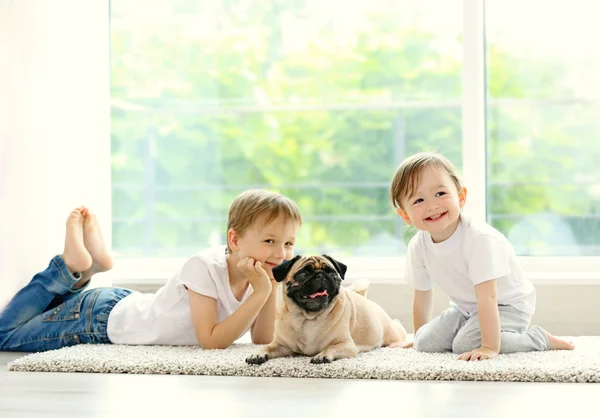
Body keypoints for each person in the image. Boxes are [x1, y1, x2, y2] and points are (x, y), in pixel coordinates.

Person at [0, 189, 302, 352]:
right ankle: (67, 268)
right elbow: (212, 341)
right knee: (4, 334)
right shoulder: (203, 266)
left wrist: (270, 287)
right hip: (98, 321)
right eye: (269, 241)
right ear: (234, 240)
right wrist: (261, 292)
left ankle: (90, 268)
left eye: (289, 243)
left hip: (119, 304)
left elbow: (262, 339)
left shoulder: (256, 274)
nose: (281, 253)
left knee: (45, 311)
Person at [388, 152, 574, 361]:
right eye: (419, 200)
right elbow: (422, 295)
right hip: (466, 307)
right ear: (405, 215)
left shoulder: (479, 239)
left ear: (461, 197)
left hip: (508, 305)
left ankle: (539, 339)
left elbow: (488, 297)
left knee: (465, 344)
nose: (432, 205)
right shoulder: (418, 246)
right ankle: (462, 333)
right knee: (426, 342)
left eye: (440, 194)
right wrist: (420, 336)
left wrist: (489, 347)